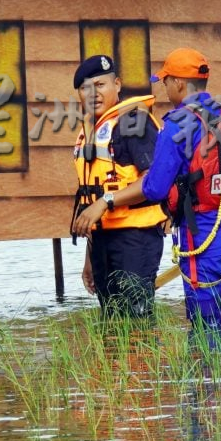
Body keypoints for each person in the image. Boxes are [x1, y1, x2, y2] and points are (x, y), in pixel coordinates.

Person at [76, 48, 221, 335]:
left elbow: (155, 188)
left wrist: (107, 200)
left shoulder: (176, 125)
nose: (165, 88)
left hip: (201, 235)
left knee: (207, 330)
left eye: (166, 81)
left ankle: (208, 381)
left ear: (179, 83)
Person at [66, 54, 166, 318]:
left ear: (117, 85)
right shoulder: (91, 130)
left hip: (135, 238)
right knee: (112, 322)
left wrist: (106, 201)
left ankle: (144, 361)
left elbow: (153, 181)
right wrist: (89, 257)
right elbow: (92, 198)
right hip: (102, 242)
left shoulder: (134, 122)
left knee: (136, 321)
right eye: (85, 88)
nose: (93, 93)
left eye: (100, 85)